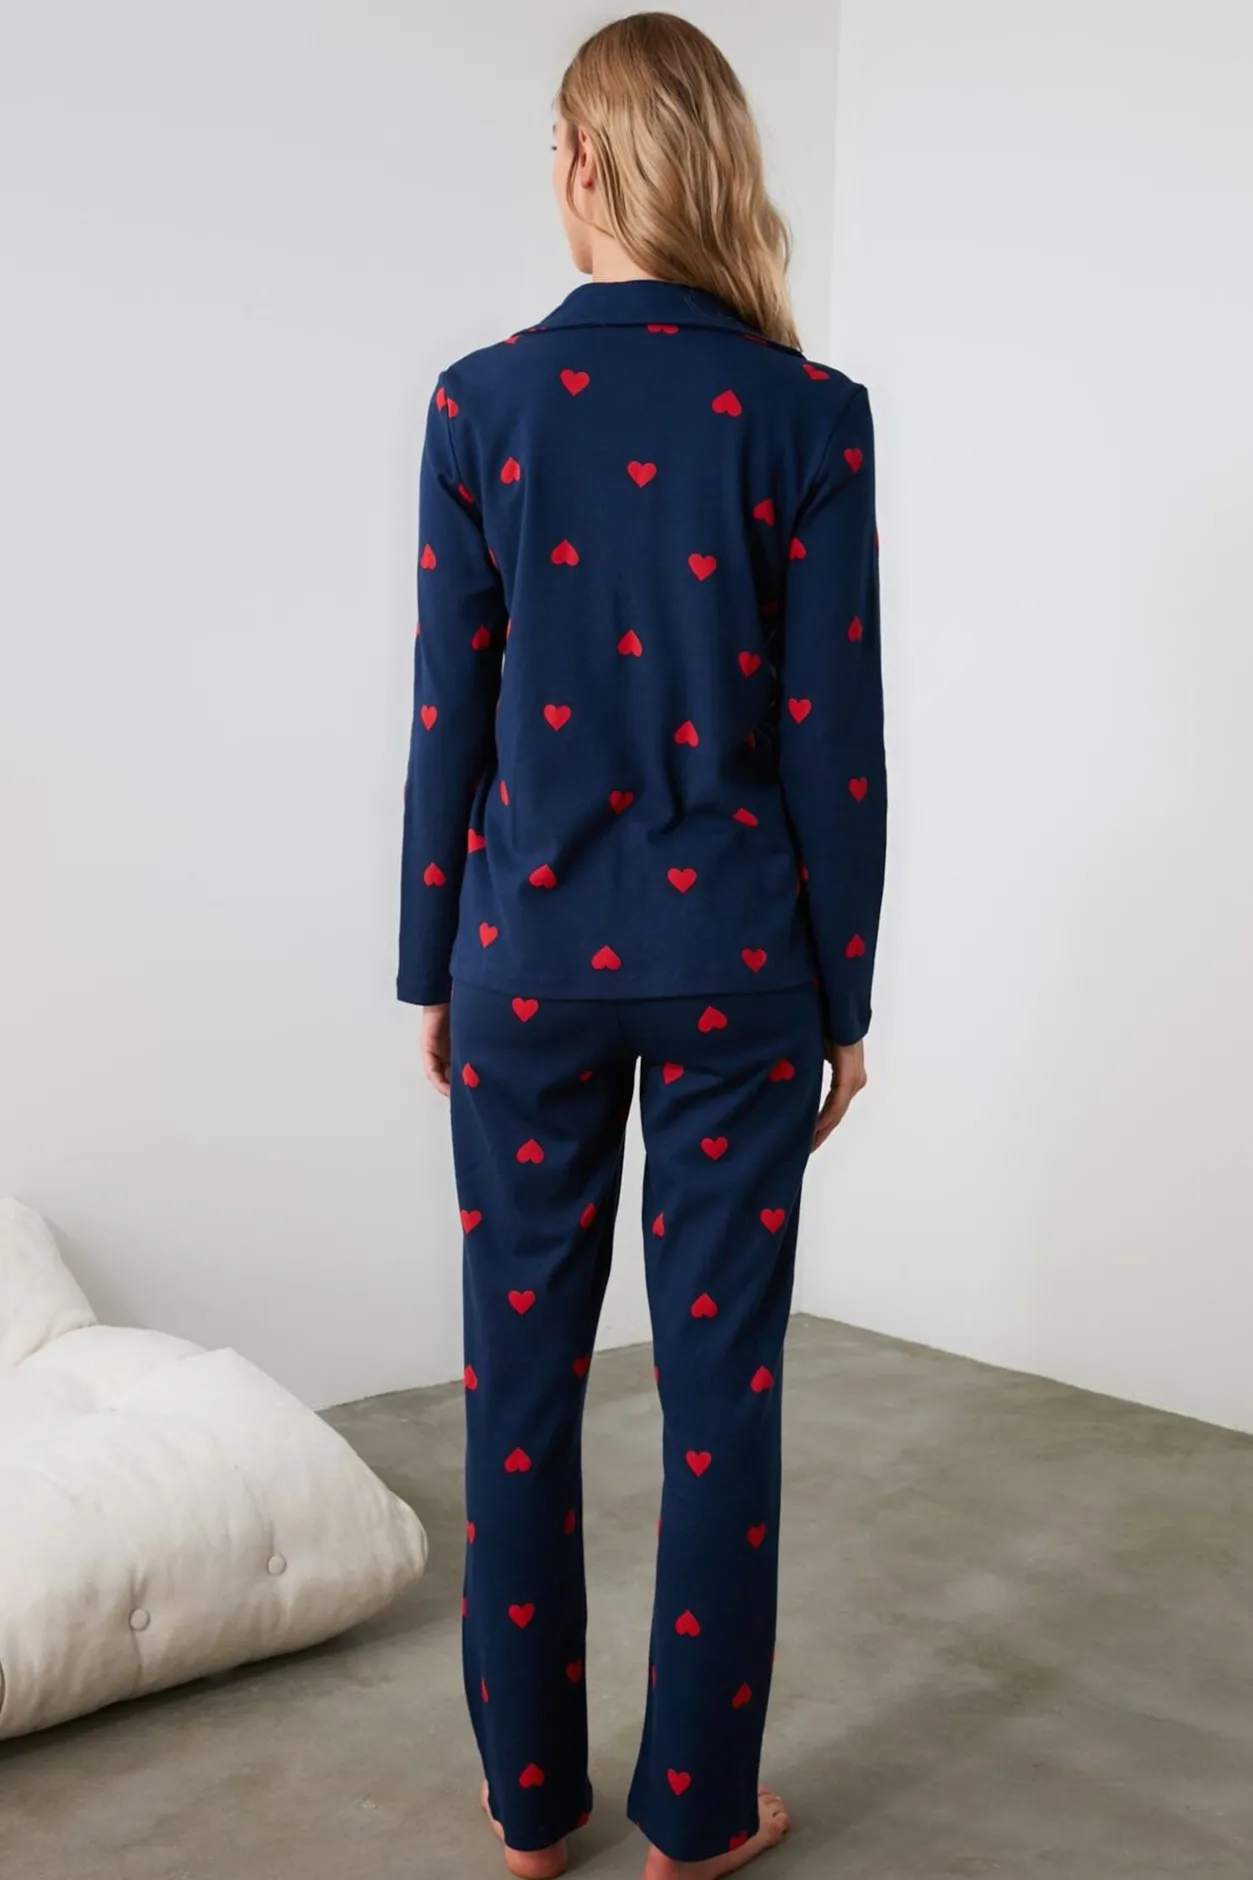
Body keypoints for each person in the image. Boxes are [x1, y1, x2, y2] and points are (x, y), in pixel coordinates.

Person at [397, 13, 886, 1877]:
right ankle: (696, 1811)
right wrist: (847, 997)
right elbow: (835, 741)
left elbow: (451, 714)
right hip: (740, 967)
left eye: (553, 143)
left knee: (517, 1390)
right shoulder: (808, 411)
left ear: (587, 163)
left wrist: (432, 962)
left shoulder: (478, 405)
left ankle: (532, 1806)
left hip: (524, 958)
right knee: (718, 1391)